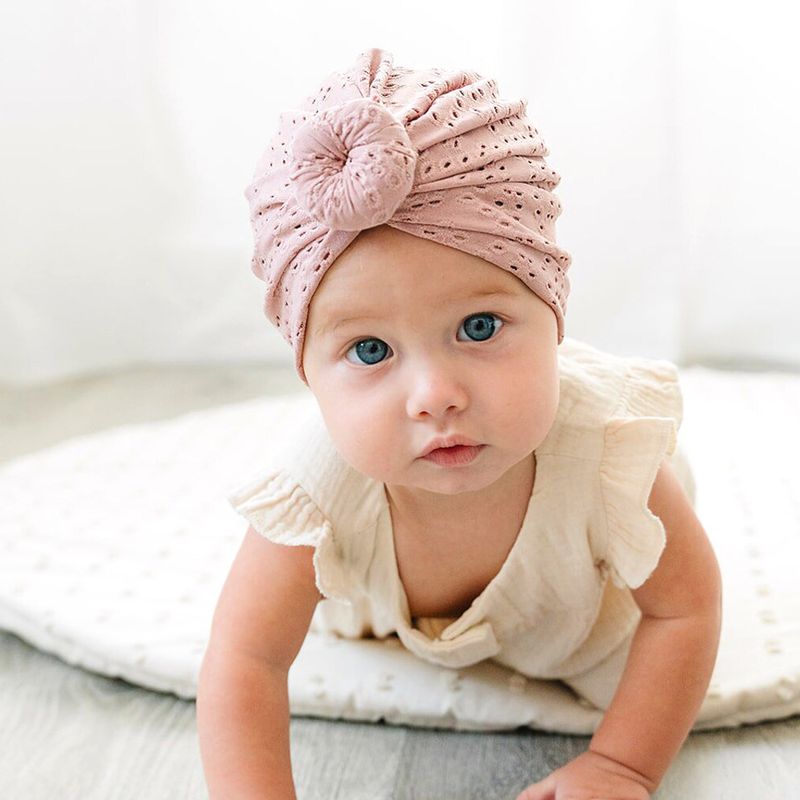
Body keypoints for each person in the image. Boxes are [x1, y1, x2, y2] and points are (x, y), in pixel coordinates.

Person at [196, 47, 722, 800]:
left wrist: (621, 766)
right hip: (395, 614)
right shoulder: (318, 484)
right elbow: (246, 658)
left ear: (553, 317)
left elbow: (687, 609)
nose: (435, 395)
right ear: (308, 372)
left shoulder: (608, 450)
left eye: (479, 327)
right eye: (369, 350)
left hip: (581, 616)